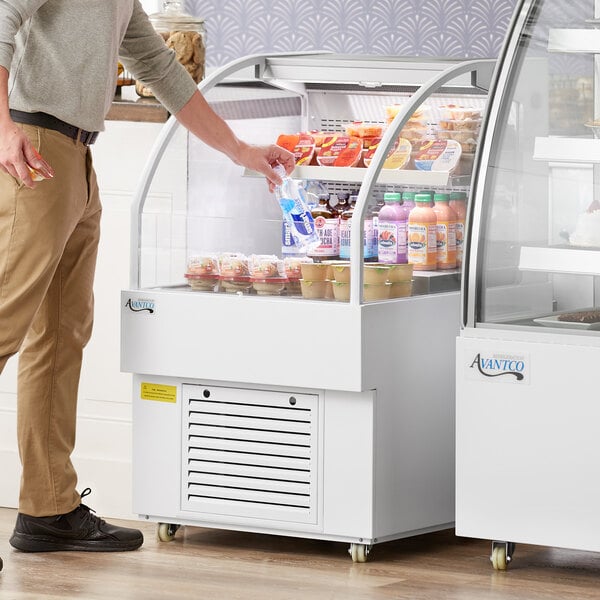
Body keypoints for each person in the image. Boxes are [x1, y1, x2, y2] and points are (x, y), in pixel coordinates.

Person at [0, 0, 294, 560]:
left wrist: (240, 151)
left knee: (61, 338)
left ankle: (48, 507)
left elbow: (160, 68)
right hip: (29, 149)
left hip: (76, 157)